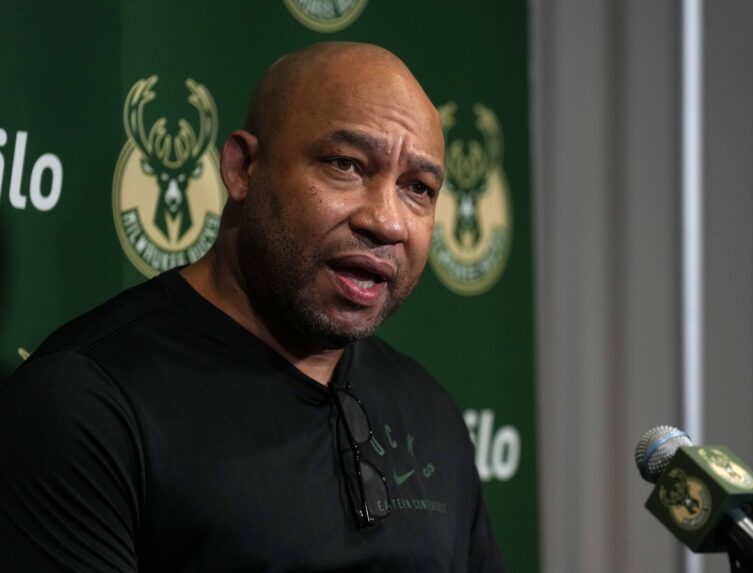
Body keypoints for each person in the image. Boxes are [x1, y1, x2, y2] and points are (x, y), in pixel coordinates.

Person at [0, 43, 506, 572]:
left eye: (417, 189)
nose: (387, 222)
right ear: (243, 168)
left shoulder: (430, 412)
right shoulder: (89, 405)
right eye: (347, 165)